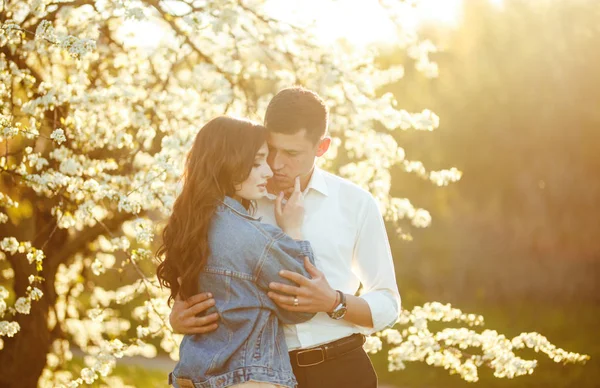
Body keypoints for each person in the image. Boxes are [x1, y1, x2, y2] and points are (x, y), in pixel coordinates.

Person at [169, 87, 401, 388]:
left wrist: (333, 301)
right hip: (253, 375)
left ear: (322, 147)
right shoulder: (234, 201)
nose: (276, 164)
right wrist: (177, 315)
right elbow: (199, 274)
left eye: (291, 153)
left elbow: (387, 302)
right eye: (271, 149)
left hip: (339, 370)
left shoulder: (355, 203)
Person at [156, 116, 320, 388]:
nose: (268, 172)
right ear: (226, 165)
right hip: (245, 379)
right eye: (256, 163)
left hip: (190, 377)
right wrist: (293, 230)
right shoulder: (252, 238)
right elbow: (301, 306)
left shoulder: (188, 226)